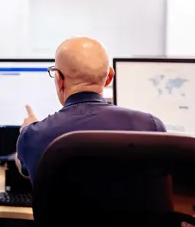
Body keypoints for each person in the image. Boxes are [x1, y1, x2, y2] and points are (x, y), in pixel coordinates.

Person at [16, 36, 166, 180]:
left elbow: (26, 169)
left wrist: (27, 132)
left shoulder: (34, 134)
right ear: (109, 77)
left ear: (59, 80)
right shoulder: (151, 127)